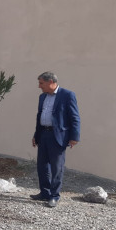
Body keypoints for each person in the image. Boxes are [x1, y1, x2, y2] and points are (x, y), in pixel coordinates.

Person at [31, 71, 80, 207]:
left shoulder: (67, 95)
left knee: (56, 167)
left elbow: (74, 117)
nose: (39, 86)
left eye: (41, 83)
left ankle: (54, 196)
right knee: (42, 166)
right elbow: (40, 117)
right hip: (43, 134)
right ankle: (44, 193)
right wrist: (36, 135)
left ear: (51, 82)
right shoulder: (42, 97)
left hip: (57, 136)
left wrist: (74, 137)